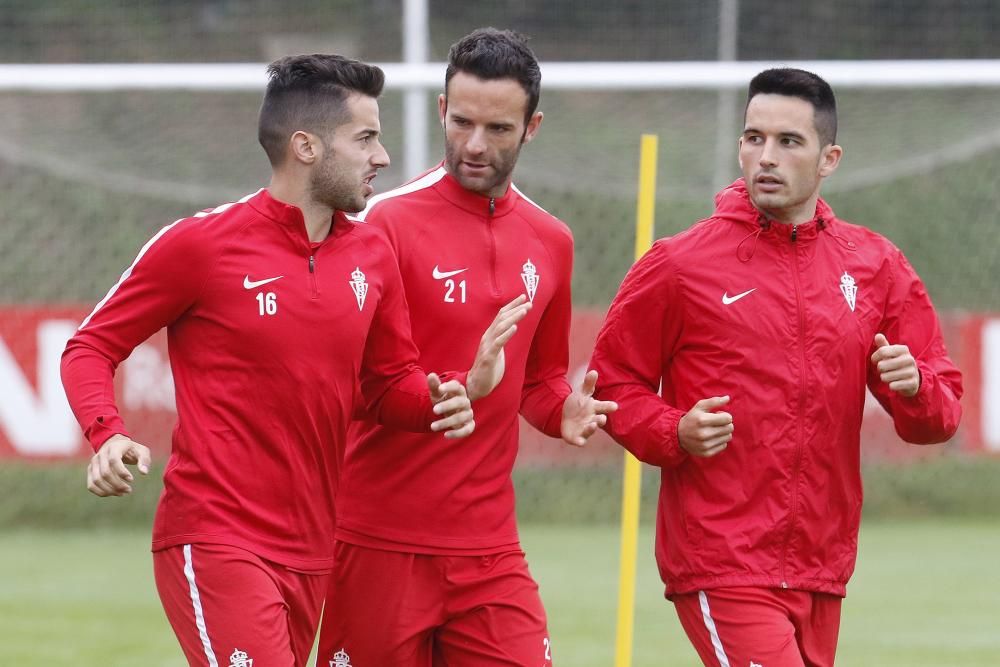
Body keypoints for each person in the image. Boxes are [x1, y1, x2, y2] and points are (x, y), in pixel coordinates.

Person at [60, 54, 526, 667]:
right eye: (365, 139)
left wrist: (455, 392)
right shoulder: (201, 245)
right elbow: (90, 345)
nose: (382, 158)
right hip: (215, 536)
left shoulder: (372, 257)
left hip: (313, 551)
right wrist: (106, 433)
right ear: (306, 147)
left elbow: (386, 389)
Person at [589, 67, 963, 667]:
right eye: (753, 137)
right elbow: (611, 383)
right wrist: (672, 430)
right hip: (721, 556)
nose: (766, 156)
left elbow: (938, 415)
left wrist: (915, 386)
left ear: (829, 158)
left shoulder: (875, 265)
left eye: (788, 141)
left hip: (822, 565)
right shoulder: (678, 265)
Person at [316, 28, 617, 667]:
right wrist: (447, 388)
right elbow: (337, 382)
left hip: (489, 548)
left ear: (532, 126)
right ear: (440, 112)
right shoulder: (378, 225)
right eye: (462, 122)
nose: (475, 145)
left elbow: (540, 382)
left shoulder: (551, 241)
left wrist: (561, 410)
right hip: (377, 539)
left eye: (499, 129)